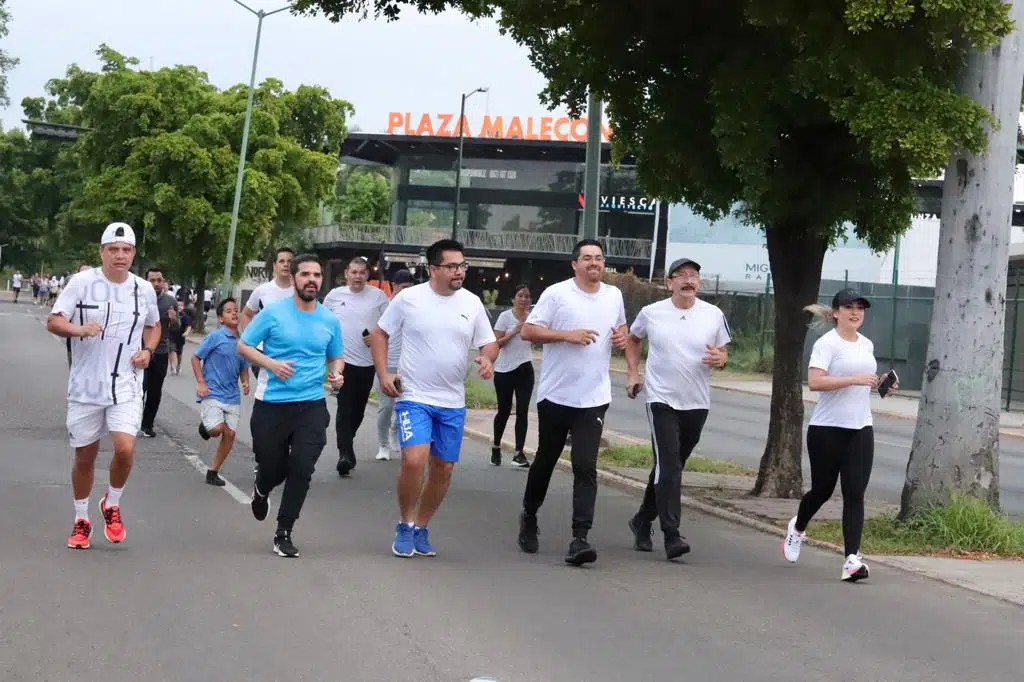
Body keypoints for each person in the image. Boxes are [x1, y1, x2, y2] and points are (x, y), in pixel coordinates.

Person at [372, 239, 498, 558]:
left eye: (462, 266)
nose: (459, 272)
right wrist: (385, 373)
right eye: (452, 266)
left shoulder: (471, 304)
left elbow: (489, 342)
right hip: (414, 395)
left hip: (452, 401)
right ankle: (404, 522)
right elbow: (380, 334)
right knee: (414, 460)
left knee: (443, 469)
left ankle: (421, 526)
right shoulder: (409, 299)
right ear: (433, 269)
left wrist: (487, 359)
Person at [47, 222, 161, 550]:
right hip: (86, 385)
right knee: (86, 456)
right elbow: (54, 320)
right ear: (102, 252)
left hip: (125, 383)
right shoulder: (81, 283)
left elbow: (153, 326)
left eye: (126, 250)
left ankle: (111, 503)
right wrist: (78, 330)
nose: (120, 256)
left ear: (134, 254)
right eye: (113, 249)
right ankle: (81, 519)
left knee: (125, 448)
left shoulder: (144, 289)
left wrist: (148, 350)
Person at [517, 239, 628, 566]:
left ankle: (580, 538)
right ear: (574, 264)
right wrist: (566, 335)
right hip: (556, 396)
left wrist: (622, 338)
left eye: (599, 258)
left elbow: (620, 329)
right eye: (588, 258)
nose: (595, 263)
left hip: (593, 397)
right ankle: (529, 513)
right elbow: (528, 331)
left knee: (585, 466)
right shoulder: (557, 293)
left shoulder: (614, 295)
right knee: (546, 461)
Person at [782, 288, 896, 582]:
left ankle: (851, 560)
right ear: (836, 313)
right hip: (827, 429)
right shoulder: (826, 344)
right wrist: (855, 380)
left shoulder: (866, 344)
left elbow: (863, 380)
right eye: (849, 307)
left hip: (860, 428)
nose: (856, 312)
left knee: (855, 493)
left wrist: (881, 383)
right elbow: (815, 382)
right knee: (822, 490)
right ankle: (798, 527)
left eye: (860, 307)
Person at [237, 254, 344, 558]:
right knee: (272, 466)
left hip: (311, 405)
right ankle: (262, 486)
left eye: (317, 275)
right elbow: (242, 345)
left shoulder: (329, 319)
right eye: (306, 274)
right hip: (272, 405)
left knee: (301, 467)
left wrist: (337, 373)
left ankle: (284, 531)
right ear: (294, 279)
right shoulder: (272, 314)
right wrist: (271, 363)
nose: (312, 279)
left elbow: (336, 355)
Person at [623, 258, 731, 559]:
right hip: (661, 399)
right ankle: (672, 535)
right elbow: (633, 340)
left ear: (700, 282)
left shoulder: (713, 314)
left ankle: (642, 520)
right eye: (681, 275)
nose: (688, 280)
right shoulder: (652, 313)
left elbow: (723, 352)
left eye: (694, 275)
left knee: (669, 468)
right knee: (669, 466)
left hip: (697, 402)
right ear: (669, 282)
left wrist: (720, 359)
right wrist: (633, 373)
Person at [323, 256, 390, 477]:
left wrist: (377, 337)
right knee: (344, 406)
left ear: (367, 275)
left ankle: (347, 443)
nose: (358, 276)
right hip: (341, 360)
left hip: (367, 361)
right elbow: (322, 323)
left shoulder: (378, 297)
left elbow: (390, 325)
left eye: (362, 273)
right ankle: (345, 454)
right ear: (346, 274)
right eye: (354, 272)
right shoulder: (334, 296)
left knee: (358, 410)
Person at [192, 297, 250, 486]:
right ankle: (207, 425)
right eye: (228, 311)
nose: (234, 313)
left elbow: (243, 366)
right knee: (217, 430)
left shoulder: (242, 342)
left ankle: (213, 471)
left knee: (230, 435)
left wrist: (246, 381)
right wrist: (201, 382)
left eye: (236, 310)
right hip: (212, 392)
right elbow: (195, 357)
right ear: (220, 318)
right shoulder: (215, 337)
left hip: (232, 396)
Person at [491, 284, 534, 468]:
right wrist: (514, 331)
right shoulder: (505, 317)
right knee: (504, 410)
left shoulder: (533, 318)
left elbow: (537, 338)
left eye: (527, 296)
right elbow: (496, 344)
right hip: (504, 370)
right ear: (513, 299)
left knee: (523, 411)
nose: (524, 299)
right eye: (520, 296)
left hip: (525, 367)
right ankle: (496, 446)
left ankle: (519, 453)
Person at [373, 268, 414, 462]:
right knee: (386, 406)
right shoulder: (385, 307)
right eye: (403, 287)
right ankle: (383, 444)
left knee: (402, 406)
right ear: (394, 286)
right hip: (387, 365)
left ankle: (395, 432)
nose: (406, 291)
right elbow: (374, 332)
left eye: (409, 287)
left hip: (407, 366)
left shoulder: (415, 308)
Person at [241, 247, 295, 379]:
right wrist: (251, 340)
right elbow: (246, 314)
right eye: (281, 261)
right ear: (275, 265)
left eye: (290, 261)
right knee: (267, 388)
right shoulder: (262, 291)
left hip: (291, 351)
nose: (286, 264)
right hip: (263, 352)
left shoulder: (299, 292)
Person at [139, 267, 178, 438]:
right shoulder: (138, 298)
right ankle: (131, 421)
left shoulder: (170, 301)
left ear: (163, 281)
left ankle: (147, 425)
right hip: (140, 350)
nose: (156, 283)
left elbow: (176, 328)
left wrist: (174, 319)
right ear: (146, 281)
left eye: (159, 280)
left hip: (161, 351)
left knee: (155, 391)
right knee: (140, 388)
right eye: (152, 280)